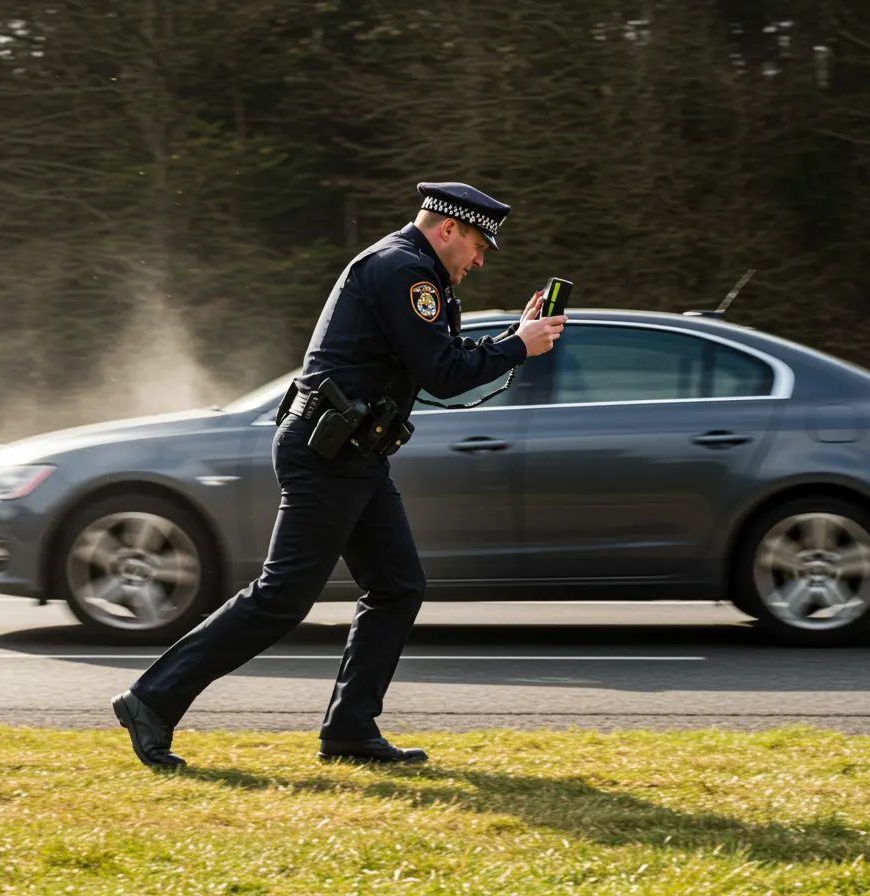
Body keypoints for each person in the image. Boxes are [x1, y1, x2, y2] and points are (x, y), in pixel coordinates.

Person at [111, 181, 567, 767]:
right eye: (479, 244)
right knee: (281, 598)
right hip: (330, 454)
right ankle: (150, 700)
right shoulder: (404, 271)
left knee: (398, 586)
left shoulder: (413, 271)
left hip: (355, 454)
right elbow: (446, 373)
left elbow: (440, 368)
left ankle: (350, 728)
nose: (479, 259)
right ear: (448, 229)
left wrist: (512, 341)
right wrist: (518, 347)